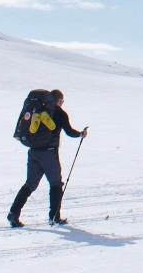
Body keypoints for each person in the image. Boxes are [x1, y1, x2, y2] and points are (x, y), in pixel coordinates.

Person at [9, 89, 86, 227]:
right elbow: (69, 132)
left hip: (33, 151)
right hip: (49, 153)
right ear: (59, 100)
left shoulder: (38, 111)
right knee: (56, 184)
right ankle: (54, 217)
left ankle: (13, 214)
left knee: (29, 185)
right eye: (62, 101)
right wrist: (81, 134)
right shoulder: (60, 113)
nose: (62, 104)